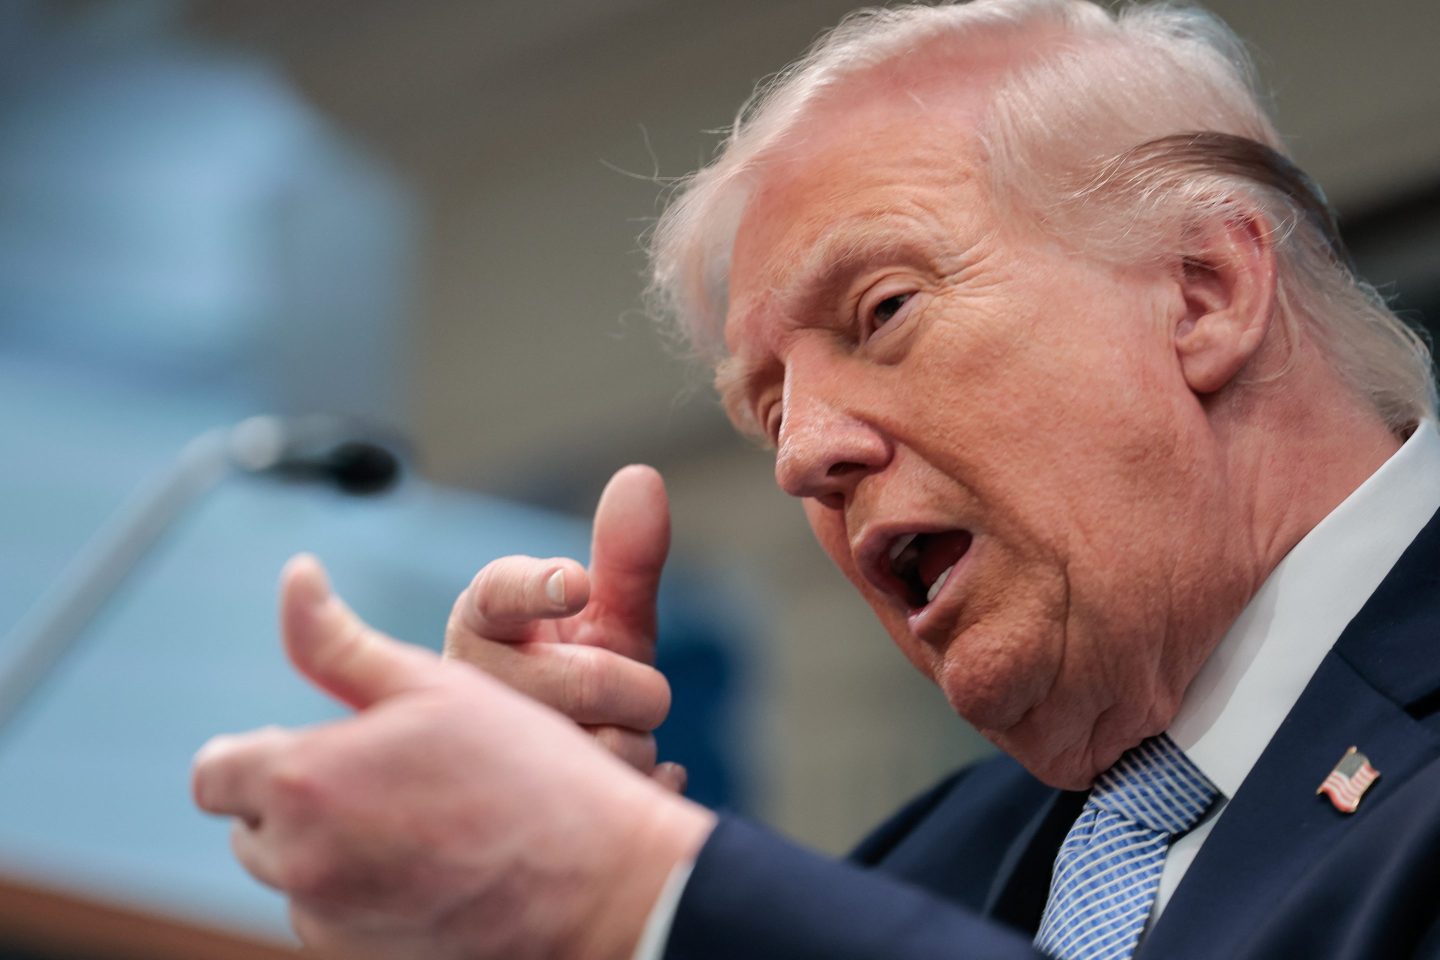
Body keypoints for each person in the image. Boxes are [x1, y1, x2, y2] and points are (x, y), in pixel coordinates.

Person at [191, 1, 1440, 958]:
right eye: (770, 408)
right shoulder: (918, 872)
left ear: (1204, 293)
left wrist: (646, 892)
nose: (803, 457)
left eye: (884, 309)